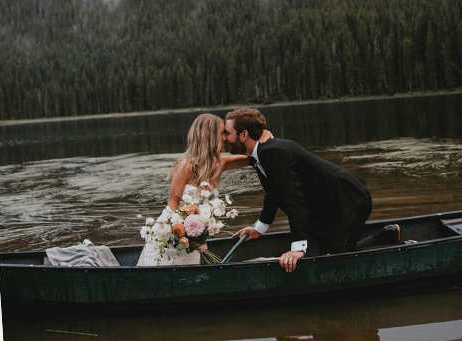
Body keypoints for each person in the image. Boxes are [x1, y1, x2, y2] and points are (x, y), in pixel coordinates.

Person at [224, 108, 399, 273]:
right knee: (328, 256)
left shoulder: (272, 151)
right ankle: (389, 234)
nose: (225, 138)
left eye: (228, 133)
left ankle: (387, 236)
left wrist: (297, 249)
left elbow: (293, 199)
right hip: (327, 208)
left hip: (349, 201)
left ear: (244, 134)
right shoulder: (259, 154)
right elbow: (273, 193)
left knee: (333, 262)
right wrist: (259, 228)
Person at [137, 113, 272, 266]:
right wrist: (182, 235)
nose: (225, 138)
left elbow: (256, 156)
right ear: (210, 136)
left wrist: (264, 139)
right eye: (222, 133)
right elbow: (172, 206)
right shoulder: (186, 166)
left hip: (194, 240)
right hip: (171, 237)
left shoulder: (221, 163)